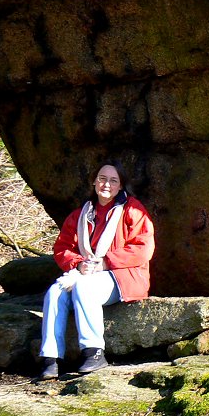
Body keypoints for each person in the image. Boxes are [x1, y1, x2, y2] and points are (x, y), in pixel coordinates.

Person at [38, 160, 155, 380]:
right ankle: (50, 358)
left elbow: (143, 248)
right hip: (88, 272)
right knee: (55, 292)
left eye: (113, 180)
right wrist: (78, 263)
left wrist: (105, 263)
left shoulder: (133, 210)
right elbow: (62, 247)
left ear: (121, 186)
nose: (106, 184)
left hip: (125, 276)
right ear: (94, 181)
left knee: (84, 286)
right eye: (102, 178)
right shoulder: (82, 213)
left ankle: (93, 351)